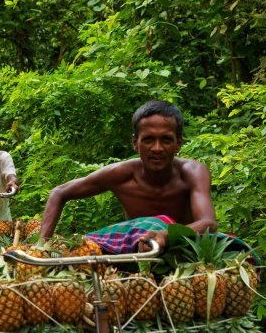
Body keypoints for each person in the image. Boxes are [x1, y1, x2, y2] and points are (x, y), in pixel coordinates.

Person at [39, 100, 216, 253]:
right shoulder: (121, 175)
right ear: (135, 143)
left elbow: (208, 224)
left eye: (166, 140)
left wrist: (165, 235)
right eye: (148, 139)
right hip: (137, 255)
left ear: (178, 143)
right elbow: (59, 192)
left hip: (186, 252)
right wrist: (41, 247)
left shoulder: (192, 172)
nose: (157, 148)